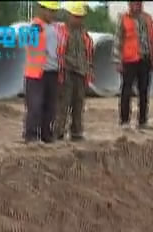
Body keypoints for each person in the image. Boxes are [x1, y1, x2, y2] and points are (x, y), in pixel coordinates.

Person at [112, 1, 153, 131]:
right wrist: (117, 60)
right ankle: (124, 121)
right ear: (129, 4)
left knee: (144, 91)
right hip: (129, 60)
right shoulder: (123, 19)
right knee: (126, 91)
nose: (137, 6)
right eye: (134, 3)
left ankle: (142, 121)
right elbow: (118, 40)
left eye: (139, 3)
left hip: (144, 59)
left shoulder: (147, 19)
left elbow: (152, 40)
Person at [54, 1, 94, 141]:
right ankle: (58, 131)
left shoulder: (85, 36)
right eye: (76, 16)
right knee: (63, 103)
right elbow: (58, 53)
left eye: (80, 16)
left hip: (81, 73)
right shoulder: (62, 32)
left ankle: (76, 132)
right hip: (67, 71)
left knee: (78, 103)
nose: (79, 19)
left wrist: (89, 71)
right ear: (69, 16)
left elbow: (88, 55)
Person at [23, 1, 61, 143]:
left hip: (52, 71)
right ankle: (31, 135)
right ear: (42, 9)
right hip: (36, 73)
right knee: (35, 105)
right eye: (50, 10)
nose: (52, 14)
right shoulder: (35, 26)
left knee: (50, 106)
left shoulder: (55, 28)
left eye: (54, 11)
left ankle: (46, 134)